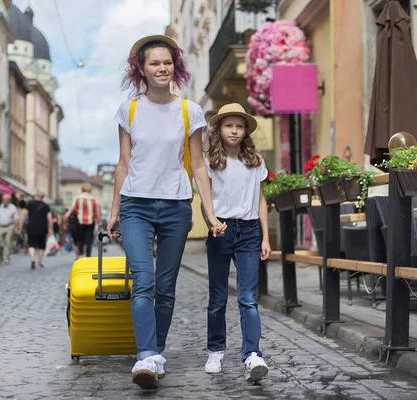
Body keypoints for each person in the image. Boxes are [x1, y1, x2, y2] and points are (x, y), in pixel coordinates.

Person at [106, 34, 226, 390]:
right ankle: (146, 356)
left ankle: (155, 353)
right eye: (154, 63)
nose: (161, 68)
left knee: (166, 287)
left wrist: (211, 211)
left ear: (176, 67)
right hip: (135, 206)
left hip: (175, 207)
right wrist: (114, 210)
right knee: (143, 281)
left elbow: (199, 166)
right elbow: (123, 164)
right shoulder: (128, 110)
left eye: (167, 62)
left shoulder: (190, 111)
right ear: (141, 69)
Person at [202, 103, 271, 382]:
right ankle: (216, 351)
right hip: (221, 230)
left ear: (245, 131)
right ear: (219, 128)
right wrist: (212, 223)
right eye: (228, 125)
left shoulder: (255, 161)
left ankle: (252, 354)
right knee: (218, 298)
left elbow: (261, 200)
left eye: (239, 126)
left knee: (248, 298)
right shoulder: (209, 162)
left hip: (250, 231)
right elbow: (206, 203)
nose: (234, 130)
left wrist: (266, 236)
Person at [64, 183, 100, 258]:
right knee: (89, 241)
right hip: (90, 222)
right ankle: (88, 256)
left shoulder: (77, 198)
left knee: (80, 240)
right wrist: (98, 221)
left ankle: (81, 256)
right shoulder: (93, 199)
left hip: (80, 222)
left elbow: (73, 209)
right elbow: (96, 212)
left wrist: (66, 219)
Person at [25, 191, 53, 269]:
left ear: (35, 196)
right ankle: (40, 262)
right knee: (41, 245)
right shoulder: (46, 206)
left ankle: (32, 259)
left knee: (31, 244)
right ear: (42, 197)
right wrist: (51, 229)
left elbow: (24, 215)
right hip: (42, 227)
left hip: (31, 227)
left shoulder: (29, 204)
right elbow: (50, 219)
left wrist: (21, 225)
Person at [0, 193, 20, 265]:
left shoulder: (12, 207)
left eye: (6, 200)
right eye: (3, 199)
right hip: (0, 226)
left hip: (9, 226)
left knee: (8, 243)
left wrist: (16, 227)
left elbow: (16, 218)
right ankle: (0, 256)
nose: (4, 201)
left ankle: (6, 258)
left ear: (9, 200)